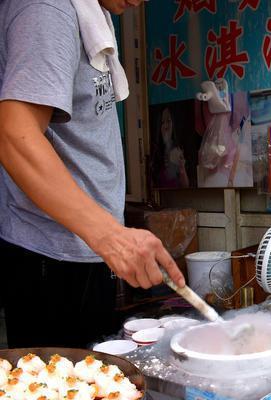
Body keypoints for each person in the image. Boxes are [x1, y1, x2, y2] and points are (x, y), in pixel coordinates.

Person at [0, 0, 184, 348]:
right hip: (49, 254)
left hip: (85, 246)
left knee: (97, 378)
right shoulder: (47, 9)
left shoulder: (91, 12)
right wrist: (111, 235)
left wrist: (107, 236)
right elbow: (15, 136)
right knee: (62, 382)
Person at [152, 107, 190, 188]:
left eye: (168, 121)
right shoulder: (155, 152)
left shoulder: (180, 150)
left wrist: (182, 169)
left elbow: (186, 186)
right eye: (162, 122)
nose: (165, 126)